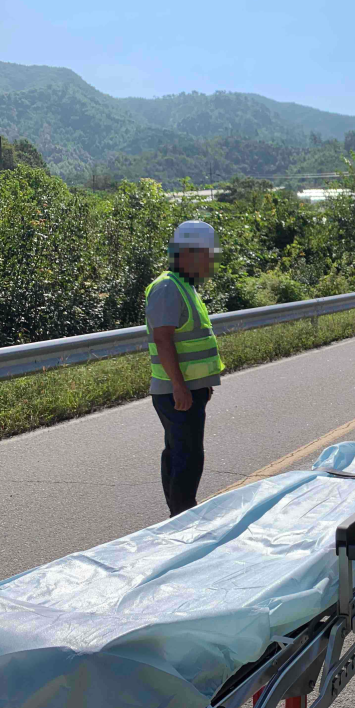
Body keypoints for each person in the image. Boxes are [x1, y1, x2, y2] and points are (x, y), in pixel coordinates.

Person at [145, 221, 225, 517]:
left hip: (189, 388)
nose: (209, 263)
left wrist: (203, 383)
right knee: (187, 457)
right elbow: (163, 339)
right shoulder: (167, 287)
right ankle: (182, 516)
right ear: (189, 253)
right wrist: (179, 386)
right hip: (175, 391)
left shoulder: (184, 286)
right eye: (207, 255)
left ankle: (178, 512)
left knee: (181, 452)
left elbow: (192, 339)